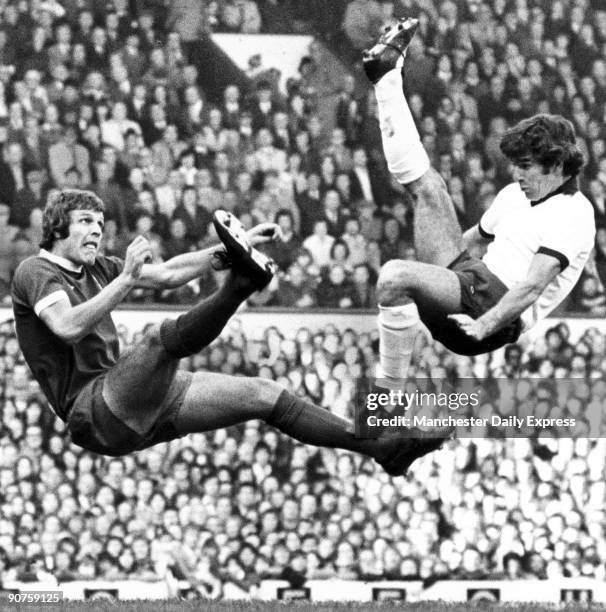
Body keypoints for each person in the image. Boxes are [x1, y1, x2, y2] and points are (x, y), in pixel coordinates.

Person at [11, 189, 430, 476]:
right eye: (86, 222)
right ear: (57, 228)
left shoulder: (98, 266)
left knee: (265, 395)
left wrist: (235, 246)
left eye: (101, 222)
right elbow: (66, 326)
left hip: (130, 402)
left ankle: (383, 450)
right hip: (94, 410)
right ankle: (241, 286)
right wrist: (126, 279)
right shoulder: (36, 271)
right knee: (159, 338)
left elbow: (171, 273)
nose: (98, 230)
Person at [363, 18, 595, 384]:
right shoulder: (514, 194)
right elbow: (469, 243)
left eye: (525, 167)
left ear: (557, 164)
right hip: (472, 283)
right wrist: (433, 283)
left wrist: (482, 325)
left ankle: (386, 397)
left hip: (495, 311)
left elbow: (532, 287)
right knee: (429, 187)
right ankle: (386, 80)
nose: (516, 175)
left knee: (394, 275)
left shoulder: (576, 214)